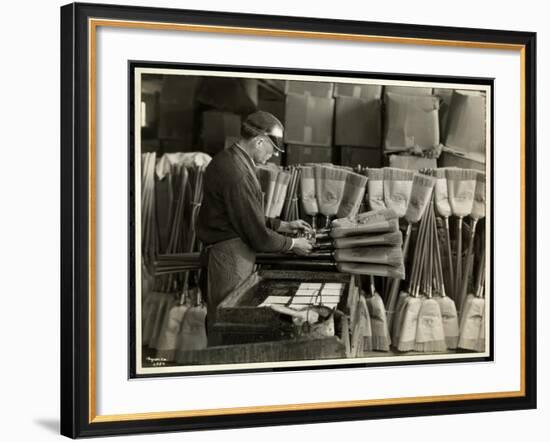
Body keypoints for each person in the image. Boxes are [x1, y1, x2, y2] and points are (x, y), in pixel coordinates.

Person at [197, 111, 313, 346]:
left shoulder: (232, 159)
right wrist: (293, 244)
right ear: (259, 141)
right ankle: (223, 371)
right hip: (229, 256)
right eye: (272, 150)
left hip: (233, 250)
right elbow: (257, 236)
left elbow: (244, 214)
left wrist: (283, 225)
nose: (271, 158)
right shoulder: (237, 173)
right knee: (228, 321)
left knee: (230, 318)